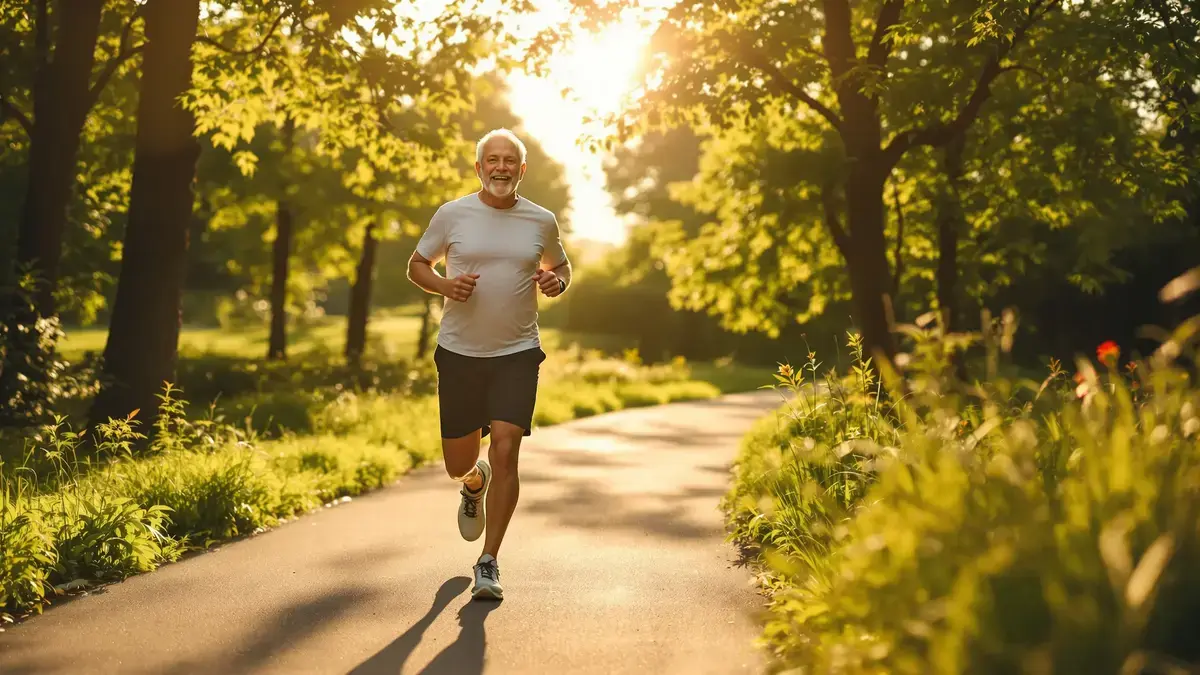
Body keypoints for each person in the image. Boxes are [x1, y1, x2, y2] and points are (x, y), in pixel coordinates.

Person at [406, 128, 571, 601]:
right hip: (459, 354)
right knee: (459, 463)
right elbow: (417, 264)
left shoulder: (540, 220)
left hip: (517, 353)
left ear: (521, 170)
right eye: (491, 159)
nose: (500, 167)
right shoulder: (453, 214)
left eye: (509, 160)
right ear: (479, 168)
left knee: (506, 448)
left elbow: (562, 266)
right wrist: (444, 286)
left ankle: (488, 561)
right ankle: (473, 483)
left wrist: (556, 282)